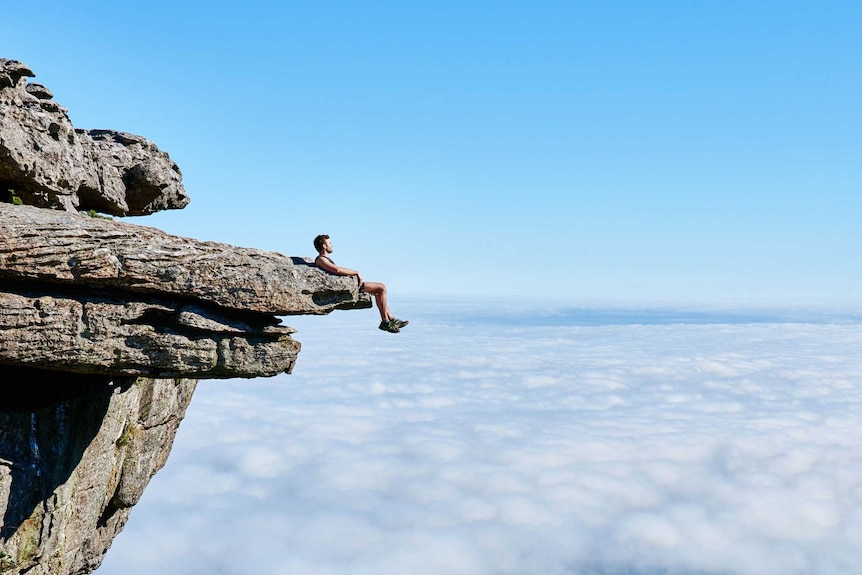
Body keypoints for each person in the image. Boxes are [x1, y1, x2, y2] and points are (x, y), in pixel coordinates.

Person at [313, 234, 408, 333]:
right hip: (346, 287)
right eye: (329, 243)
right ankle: (385, 321)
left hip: (349, 284)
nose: (331, 245)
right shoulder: (321, 259)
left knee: (378, 292)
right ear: (324, 246)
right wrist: (356, 272)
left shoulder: (324, 259)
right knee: (382, 287)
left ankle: (391, 319)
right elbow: (337, 270)